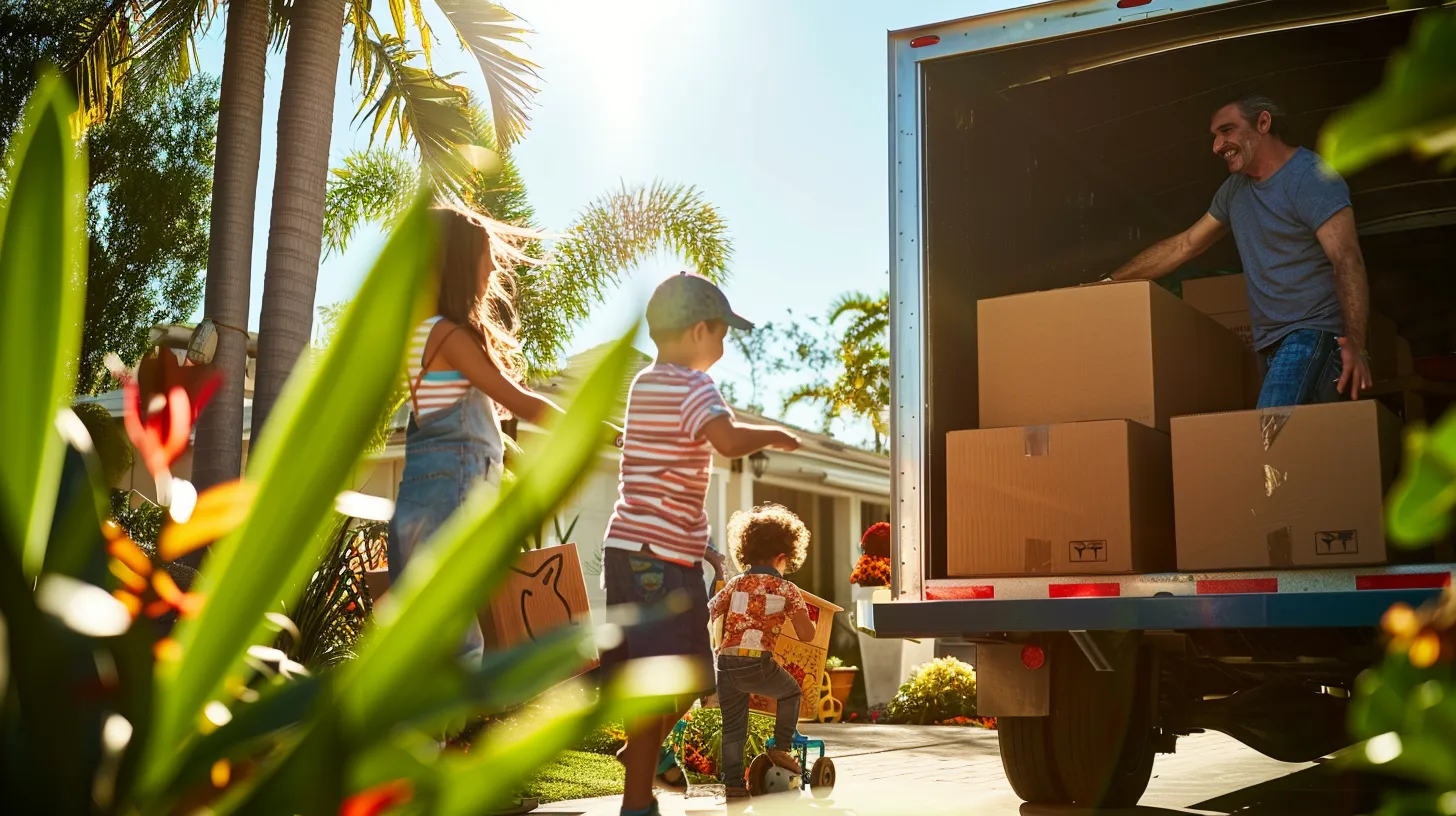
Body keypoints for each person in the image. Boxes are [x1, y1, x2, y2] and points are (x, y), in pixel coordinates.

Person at [601, 272, 801, 816]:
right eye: (722, 334)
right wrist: (773, 434)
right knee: (678, 676)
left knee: (684, 675)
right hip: (658, 560)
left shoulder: (644, 384)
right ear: (697, 331)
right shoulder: (695, 386)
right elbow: (729, 441)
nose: (723, 345)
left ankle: (637, 752)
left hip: (630, 552)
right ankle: (637, 800)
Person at [1108, 93, 1373, 408]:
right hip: (1270, 343)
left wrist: (1356, 343)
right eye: (1215, 136)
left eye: (1227, 131)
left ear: (1263, 123)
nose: (1217, 146)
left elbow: (1347, 260)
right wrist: (1109, 283)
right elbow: (1185, 245)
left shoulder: (1311, 177)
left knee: (1265, 437)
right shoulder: (1234, 191)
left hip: (1314, 332)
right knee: (1295, 449)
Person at [387, 205, 566, 663]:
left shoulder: (421, 334)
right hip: (455, 492)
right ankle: (439, 734)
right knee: (455, 634)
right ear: (459, 265)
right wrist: (597, 427)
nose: (492, 269)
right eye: (485, 259)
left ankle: (417, 732)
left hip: (419, 495)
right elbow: (524, 404)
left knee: (421, 629)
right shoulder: (448, 337)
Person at [708, 503, 818, 801]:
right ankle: (781, 748)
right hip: (756, 664)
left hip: (726, 662)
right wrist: (796, 616)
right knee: (791, 692)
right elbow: (808, 634)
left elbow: (711, 610)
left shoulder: (736, 583)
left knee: (733, 727)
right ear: (783, 556)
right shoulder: (786, 590)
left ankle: (733, 785)